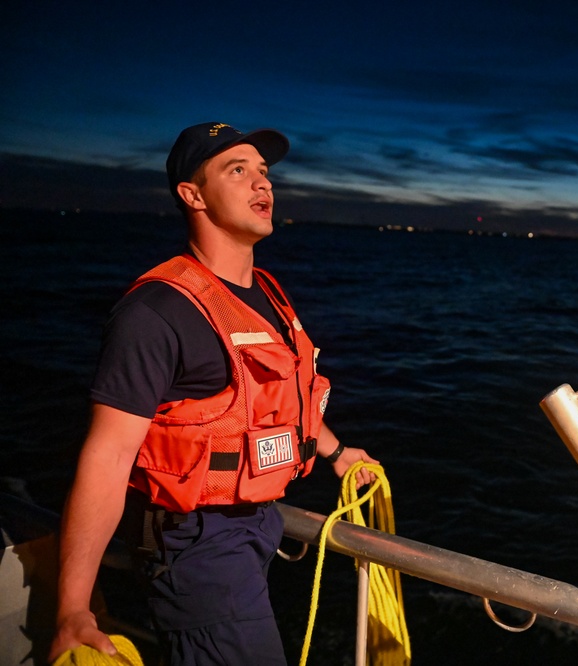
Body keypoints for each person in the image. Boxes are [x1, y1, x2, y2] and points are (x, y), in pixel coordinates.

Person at [49, 122, 379, 665]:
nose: (262, 185)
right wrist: (72, 608)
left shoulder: (267, 292)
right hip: (197, 544)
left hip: (261, 521)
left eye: (265, 173)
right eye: (238, 171)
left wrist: (336, 451)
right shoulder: (155, 312)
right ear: (193, 195)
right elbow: (107, 458)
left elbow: (277, 397)